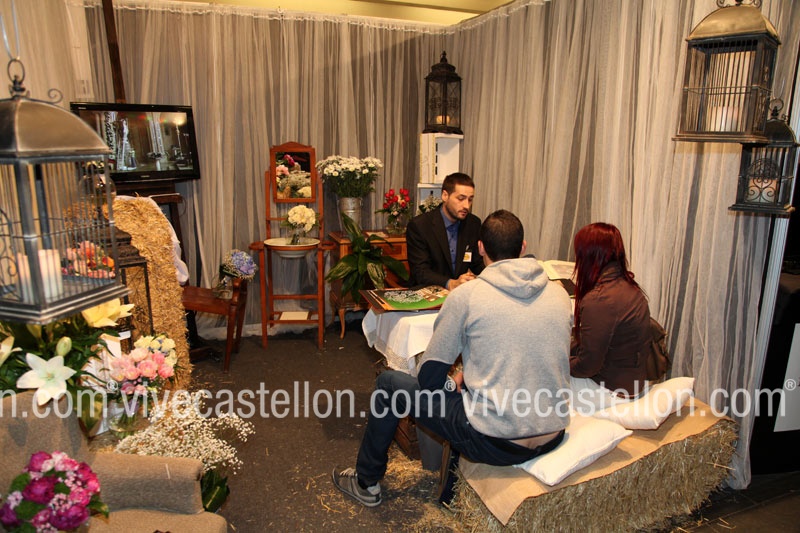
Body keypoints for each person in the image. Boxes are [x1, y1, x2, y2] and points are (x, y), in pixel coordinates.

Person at [332, 210, 572, 507]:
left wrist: (452, 383)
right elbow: (526, 352)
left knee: (389, 384)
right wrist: (466, 376)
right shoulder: (558, 294)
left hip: (495, 441)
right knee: (463, 390)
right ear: (523, 248)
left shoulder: (467, 296)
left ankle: (365, 483)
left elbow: (429, 378)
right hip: (552, 432)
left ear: (481, 248)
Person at [569, 222, 651, 412]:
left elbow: (587, 366)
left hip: (610, 391)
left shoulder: (599, 300)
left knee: (539, 377)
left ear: (589, 255)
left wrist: (557, 361)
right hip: (629, 382)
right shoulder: (629, 287)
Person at [405, 173, 484, 290]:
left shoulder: (473, 223)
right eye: (461, 199)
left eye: (470, 200)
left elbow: (477, 263)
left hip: (459, 293)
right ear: (445, 196)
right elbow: (420, 271)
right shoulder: (420, 226)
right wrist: (450, 283)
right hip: (427, 291)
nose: (466, 206)